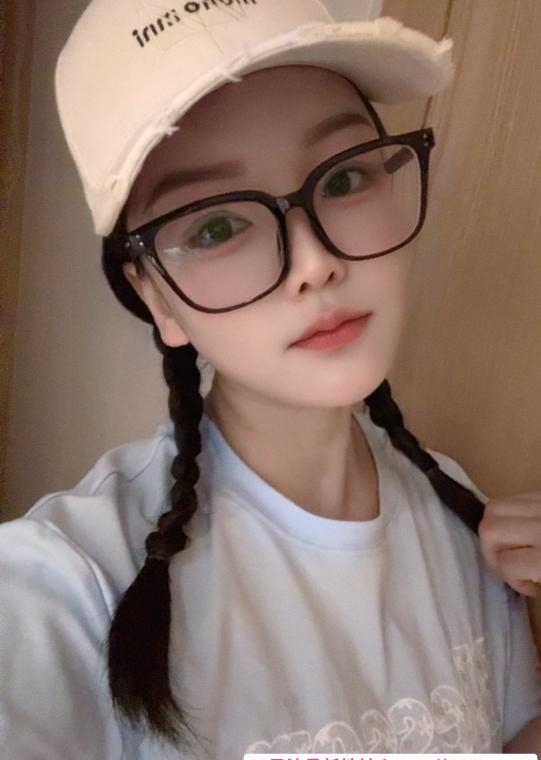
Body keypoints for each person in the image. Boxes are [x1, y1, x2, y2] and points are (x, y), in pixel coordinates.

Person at [1, 1, 540, 757]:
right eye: (216, 226)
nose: (315, 262)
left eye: (343, 177)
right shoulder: (69, 583)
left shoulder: (461, 516)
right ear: (156, 298)